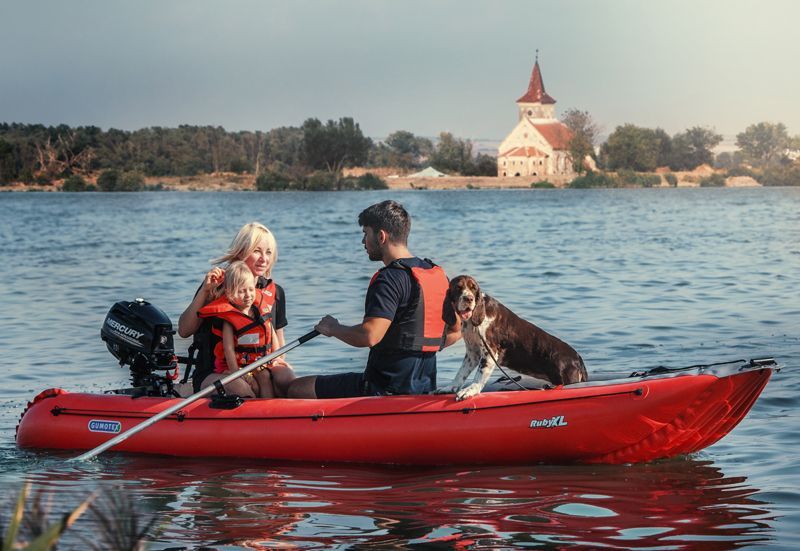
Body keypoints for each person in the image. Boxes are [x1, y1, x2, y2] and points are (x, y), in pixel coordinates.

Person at [288, 200, 460, 399]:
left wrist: (333, 328)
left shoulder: (388, 279)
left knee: (295, 388)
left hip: (380, 390)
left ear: (381, 236)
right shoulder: (437, 275)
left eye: (365, 233)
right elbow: (457, 331)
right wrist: (422, 348)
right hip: (424, 389)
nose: (363, 241)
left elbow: (369, 336)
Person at [177, 222, 295, 396]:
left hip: (259, 366)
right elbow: (184, 331)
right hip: (215, 371)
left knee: (286, 377)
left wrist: (277, 363)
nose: (264, 258)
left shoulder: (275, 293)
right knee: (241, 389)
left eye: (268, 252)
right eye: (257, 251)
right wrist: (205, 292)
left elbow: (278, 340)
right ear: (241, 252)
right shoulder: (216, 286)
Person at [196, 262, 277, 398]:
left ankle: (268, 410)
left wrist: (277, 358)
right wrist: (237, 373)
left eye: (250, 289)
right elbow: (228, 349)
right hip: (231, 367)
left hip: (254, 364)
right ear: (230, 293)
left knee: (264, 376)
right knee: (253, 387)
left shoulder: (260, 312)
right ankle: (252, 410)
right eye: (241, 291)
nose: (248, 295)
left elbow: (272, 334)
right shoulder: (229, 320)